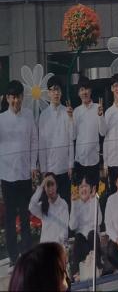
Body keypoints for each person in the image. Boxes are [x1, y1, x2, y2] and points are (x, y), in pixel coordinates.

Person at [0, 80, 37, 266]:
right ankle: (13, 258)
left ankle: (27, 252)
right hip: (7, 176)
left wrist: (33, 165)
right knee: (9, 219)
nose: (16, 100)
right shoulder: (1, 119)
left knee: (24, 216)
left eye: (19, 97)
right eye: (12, 97)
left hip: (24, 175)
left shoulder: (29, 115)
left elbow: (34, 140)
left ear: (23, 97)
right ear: (7, 98)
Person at [38, 76, 74, 209]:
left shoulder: (67, 112)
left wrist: (70, 164)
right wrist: (43, 169)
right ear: (48, 93)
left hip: (64, 168)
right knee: (50, 206)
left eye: (58, 90)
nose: (56, 93)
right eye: (52, 90)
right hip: (50, 169)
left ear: (61, 92)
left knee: (65, 203)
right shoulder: (44, 115)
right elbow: (41, 145)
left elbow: (71, 139)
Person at [73, 75, 106, 188]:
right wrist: (70, 120)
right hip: (80, 160)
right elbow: (73, 136)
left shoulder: (98, 107)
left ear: (90, 90)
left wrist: (100, 116)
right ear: (78, 93)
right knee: (80, 193)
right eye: (81, 90)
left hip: (94, 160)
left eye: (86, 89)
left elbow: (103, 132)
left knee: (94, 193)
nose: (84, 92)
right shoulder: (76, 112)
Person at [69, 174, 103, 276]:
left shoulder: (94, 200)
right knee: (78, 237)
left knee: (92, 234)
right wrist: (73, 205)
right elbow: (72, 226)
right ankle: (76, 273)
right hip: (82, 244)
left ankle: (98, 266)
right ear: (78, 189)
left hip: (93, 241)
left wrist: (93, 201)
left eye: (86, 186)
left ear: (91, 188)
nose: (84, 189)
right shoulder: (76, 203)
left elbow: (99, 221)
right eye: (81, 187)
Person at [28, 172, 69, 245]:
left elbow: (64, 230)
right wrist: (41, 185)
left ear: (57, 185)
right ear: (44, 188)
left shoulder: (63, 204)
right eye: (47, 185)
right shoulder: (43, 205)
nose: (50, 189)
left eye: (52, 184)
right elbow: (31, 206)